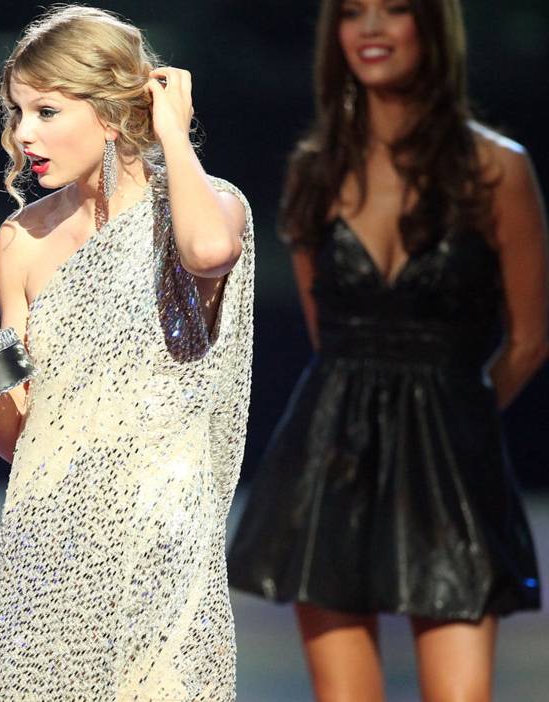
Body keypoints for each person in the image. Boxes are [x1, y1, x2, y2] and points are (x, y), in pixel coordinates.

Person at [0, 6, 253, 699]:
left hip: (164, 545)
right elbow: (20, 436)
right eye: (17, 112)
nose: (23, 134)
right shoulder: (20, 240)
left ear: (113, 110)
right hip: (47, 550)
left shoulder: (209, 208)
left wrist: (171, 132)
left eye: (47, 111)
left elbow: (209, 253)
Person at [227, 0, 547, 699]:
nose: (370, 28)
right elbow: (325, 334)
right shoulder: (313, 171)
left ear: (431, 28)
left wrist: (459, 421)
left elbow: (527, 340)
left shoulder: (497, 169)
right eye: (352, 13)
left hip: (452, 467)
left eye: (394, 10)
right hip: (332, 455)